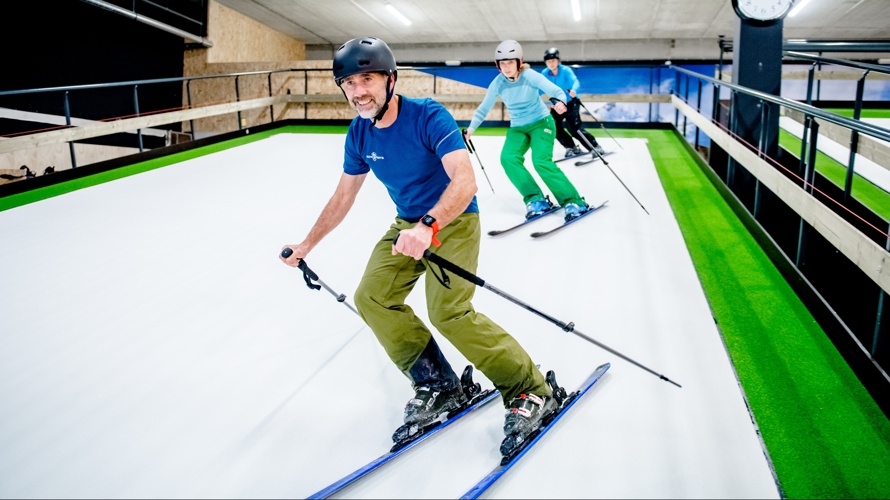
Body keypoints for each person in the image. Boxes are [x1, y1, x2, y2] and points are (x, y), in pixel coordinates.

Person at [280, 37, 555, 450]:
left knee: (450, 313)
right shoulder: (359, 134)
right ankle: (438, 384)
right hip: (406, 225)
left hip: (453, 220)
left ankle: (530, 390)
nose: (358, 92)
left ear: (391, 79)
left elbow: (465, 181)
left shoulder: (428, 116)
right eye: (349, 83)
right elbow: (342, 197)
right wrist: (306, 244)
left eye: (367, 79)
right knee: (372, 297)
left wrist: (428, 225)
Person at [465, 40, 590, 222]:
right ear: (498, 65)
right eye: (502, 63)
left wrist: (560, 102)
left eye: (510, 62)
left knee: (540, 161)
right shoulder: (498, 83)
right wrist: (471, 129)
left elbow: (555, 90)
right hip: (518, 127)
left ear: (519, 62)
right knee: (508, 158)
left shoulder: (530, 75)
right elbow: (484, 108)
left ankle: (574, 201)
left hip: (541, 123)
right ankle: (535, 199)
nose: (507, 67)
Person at [541, 47, 605, 159]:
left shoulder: (565, 70)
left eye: (553, 60)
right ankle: (571, 147)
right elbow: (539, 87)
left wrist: (574, 90)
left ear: (558, 60)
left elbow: (575, 81)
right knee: (552, 126)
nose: (551, 63)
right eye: (548, 61)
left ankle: (595, 147)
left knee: (574, 128)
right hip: (557, 104)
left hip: (571, 102)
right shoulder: (545, 73)